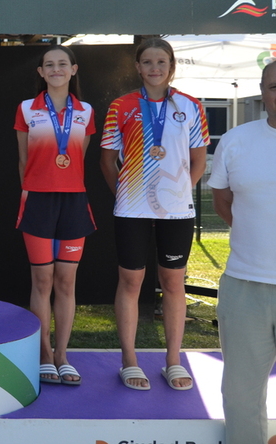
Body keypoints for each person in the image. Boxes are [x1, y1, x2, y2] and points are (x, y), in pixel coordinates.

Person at [100, 37, 208, 390]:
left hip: (176, 211)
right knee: (131, 282)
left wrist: (179, 193)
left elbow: (198, 160)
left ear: (171, 66)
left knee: (173, 282)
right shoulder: (121, 106)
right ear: (137, 67)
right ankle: (129, 360)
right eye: (147, 62)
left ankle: (173, 360)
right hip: (131, 208)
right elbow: (106, 159)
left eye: (161, 62)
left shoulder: (192, 106)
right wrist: (126, 195)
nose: (154, 68)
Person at [14, 45, 96, 386]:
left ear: (73, 70)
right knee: (42, 281)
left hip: (74, 203)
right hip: (38, 202)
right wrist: (35, 189)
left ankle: (63, 354)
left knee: (65, 281)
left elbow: (80, 158)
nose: (56, 69)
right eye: (50, 64)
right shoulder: (26, 109)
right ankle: (44, 353)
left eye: (63, 64)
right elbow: (23, 160)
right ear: (41, 72)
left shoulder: (87, 111)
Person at [209, 61, 276, 444]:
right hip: (244, 287)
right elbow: (222, 202)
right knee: (241, 398)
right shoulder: (236, 140)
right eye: (273, 86)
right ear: (262, 92)